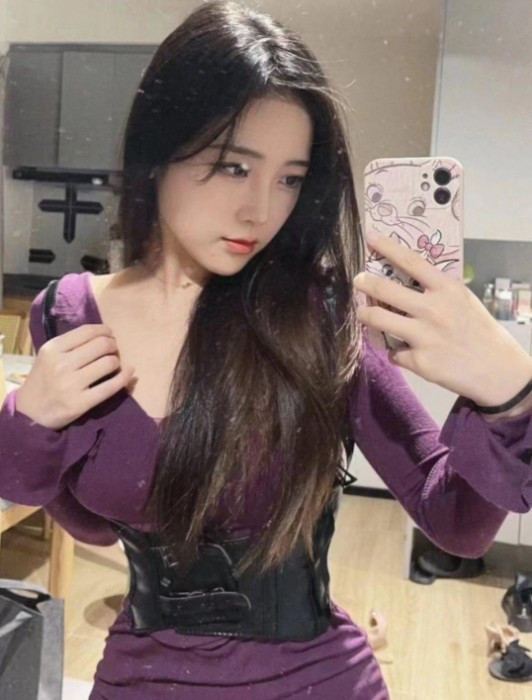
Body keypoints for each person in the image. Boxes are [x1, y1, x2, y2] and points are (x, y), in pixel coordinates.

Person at [1, 2, 531, 698]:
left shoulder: (315, 315)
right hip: (141, 678)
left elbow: (455, 523)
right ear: (158, 152)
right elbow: (88, 524)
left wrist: (510, 398)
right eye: (233, 167)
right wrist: (27, 422)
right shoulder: (67, 315)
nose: (262, 210)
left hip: (317, 680)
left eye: (289, 178)